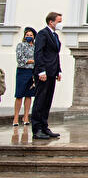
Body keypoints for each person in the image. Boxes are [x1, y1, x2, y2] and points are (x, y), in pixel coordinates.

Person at [30, 12, 63, 140]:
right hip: (43, 73)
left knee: (47, 100)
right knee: (40, 100)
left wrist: (58, 70)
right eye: (59, 21)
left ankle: (44, 126)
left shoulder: (54, 35)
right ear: (51, 22)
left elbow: (55, 54)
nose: (60, 24)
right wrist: (41, 71)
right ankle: (37, 128)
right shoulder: (43, 34)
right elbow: (38, 53)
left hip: (52, 71)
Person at [13, 27, 36, 126]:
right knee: (19, 95)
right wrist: (31, 61)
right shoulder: (21, 45)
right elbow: (20, 58)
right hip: (22, 71)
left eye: (31, 35)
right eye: (27, 35)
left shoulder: (35, 47)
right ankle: (16, 117)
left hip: (32, 72)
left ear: (34, 37)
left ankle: (26, 116)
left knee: (29, 95)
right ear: (24, 36)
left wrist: (32, 61)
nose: (29, 37)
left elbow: (38, 58)